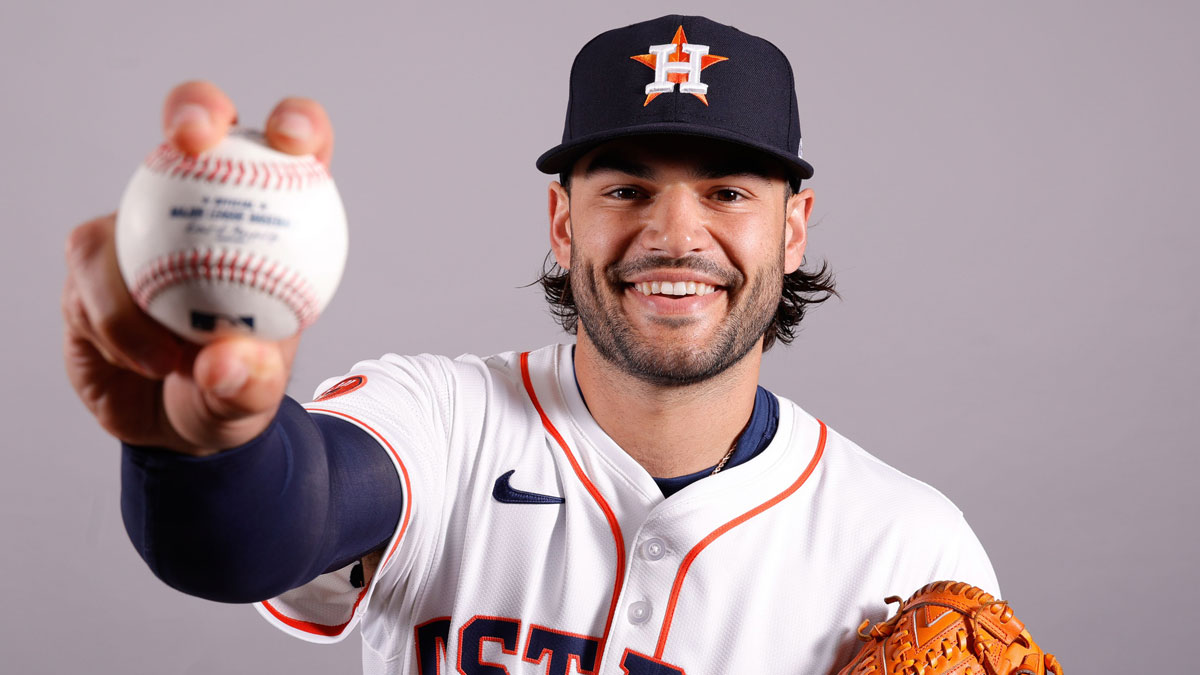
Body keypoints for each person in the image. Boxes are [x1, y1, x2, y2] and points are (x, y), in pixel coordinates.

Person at [62, 15, 998, 675]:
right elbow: (260, 528)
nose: (675, 235)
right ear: (562, 220)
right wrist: (195, 443)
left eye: (728, 192)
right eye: (626, 189)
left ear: (793, 231)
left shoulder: (906, 546)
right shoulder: (442, 421)